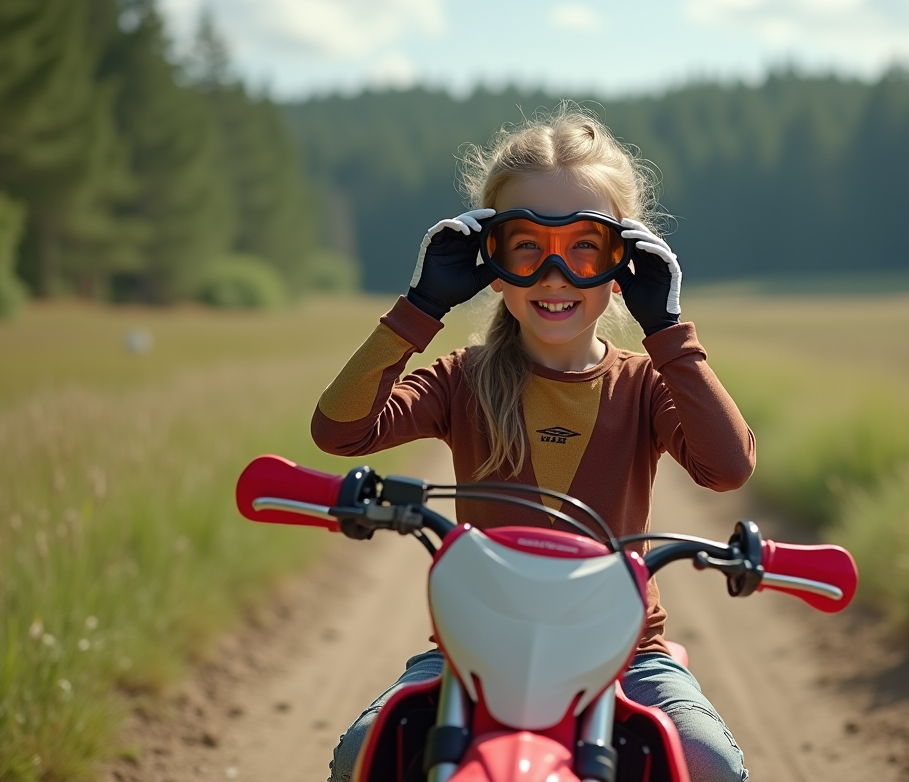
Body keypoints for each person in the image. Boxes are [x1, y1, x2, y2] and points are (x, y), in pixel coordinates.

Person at [312, 105, 755, 782]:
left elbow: (727, 468)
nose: (555, 274)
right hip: (475, 653)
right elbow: (341, 431)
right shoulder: (462, 380)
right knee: (365, 753)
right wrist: (420, 307)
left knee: (708, 762)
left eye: (585, 246)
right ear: (491, 261)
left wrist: (667, 331)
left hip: (626, 654)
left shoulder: (643, 385)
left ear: (624, 262)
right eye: (525, 245)